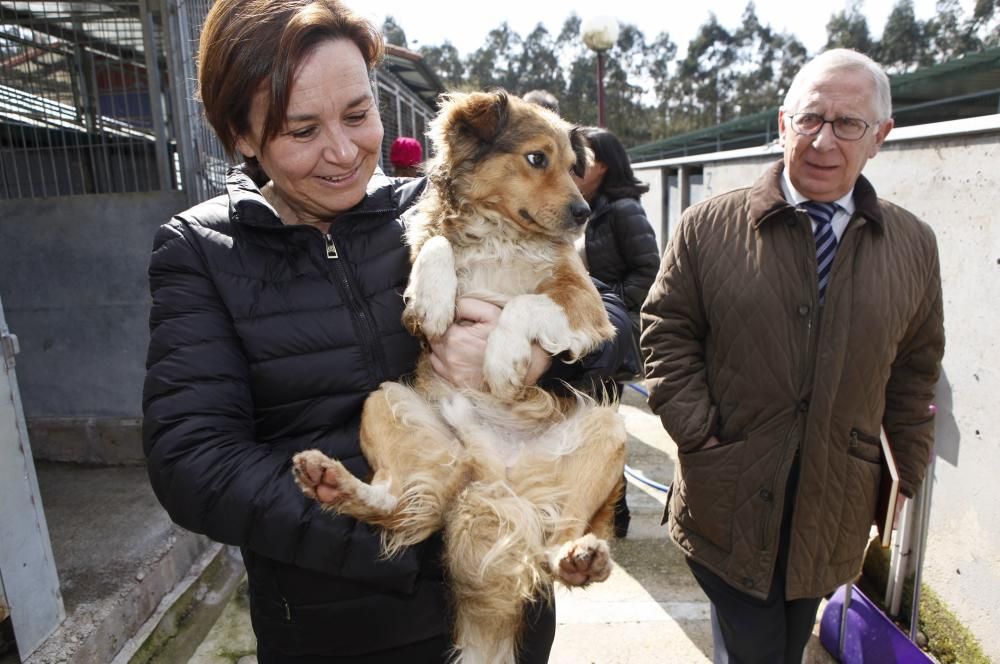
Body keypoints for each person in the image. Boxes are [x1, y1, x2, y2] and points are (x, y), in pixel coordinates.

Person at [141, 1, 635, 662]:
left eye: (357, 114)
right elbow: (192, 462)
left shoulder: (440, 208)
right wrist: (406, 530)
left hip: (506, 609)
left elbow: (617, 328)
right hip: (343, 630)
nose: (343, 152)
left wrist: (545, 356)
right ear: (242, 134)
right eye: (301, 129)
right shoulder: (201, 252)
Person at [641, 48, 944, 664]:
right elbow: (665, 331)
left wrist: (903, 473)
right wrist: (699, 435)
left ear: (880, 137)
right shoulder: (710, 226)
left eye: (848, 124)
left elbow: (915, 366)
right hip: (728, 495)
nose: (824, 140)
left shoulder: (912, 244)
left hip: (834, 504)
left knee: (787, 635)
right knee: (756, 649)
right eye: (810, 119)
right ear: (783, 124)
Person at [573, 126, 660, 538]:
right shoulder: (580, 204)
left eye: (582, 157)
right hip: (581, 336)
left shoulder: (623, 210)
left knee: (602, 431)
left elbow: (649, 270)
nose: (572, 163)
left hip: (607, 336)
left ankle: (613, 517)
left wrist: (608, 307)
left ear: (603, 165)